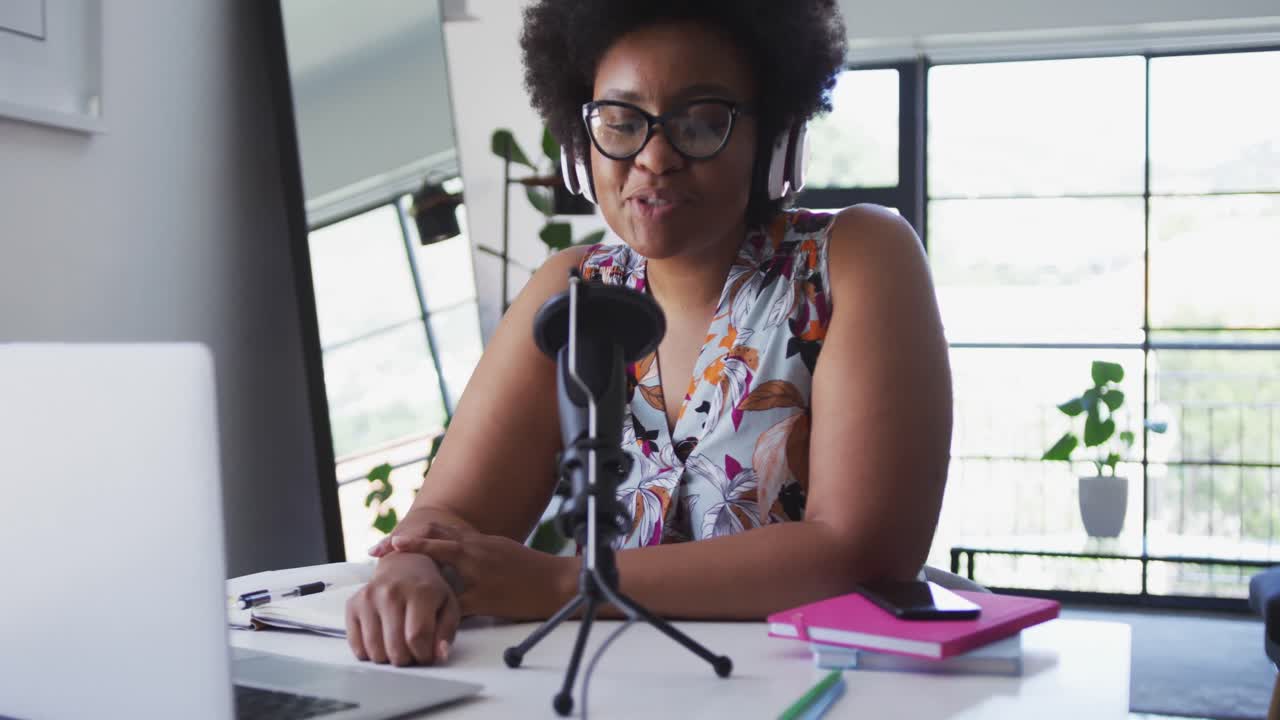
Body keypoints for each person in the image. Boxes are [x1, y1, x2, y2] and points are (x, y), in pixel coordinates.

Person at [345, 0, 953, 667]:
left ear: (772, 136)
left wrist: (560, 582)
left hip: (819, 694)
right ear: (582, 139)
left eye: (699, 121)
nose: (654, 156)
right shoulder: (571, 290)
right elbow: (449, 515)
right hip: (618, 689)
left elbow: (862, 551)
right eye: (621, 121)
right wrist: (415, 570)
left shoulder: (857, 255)